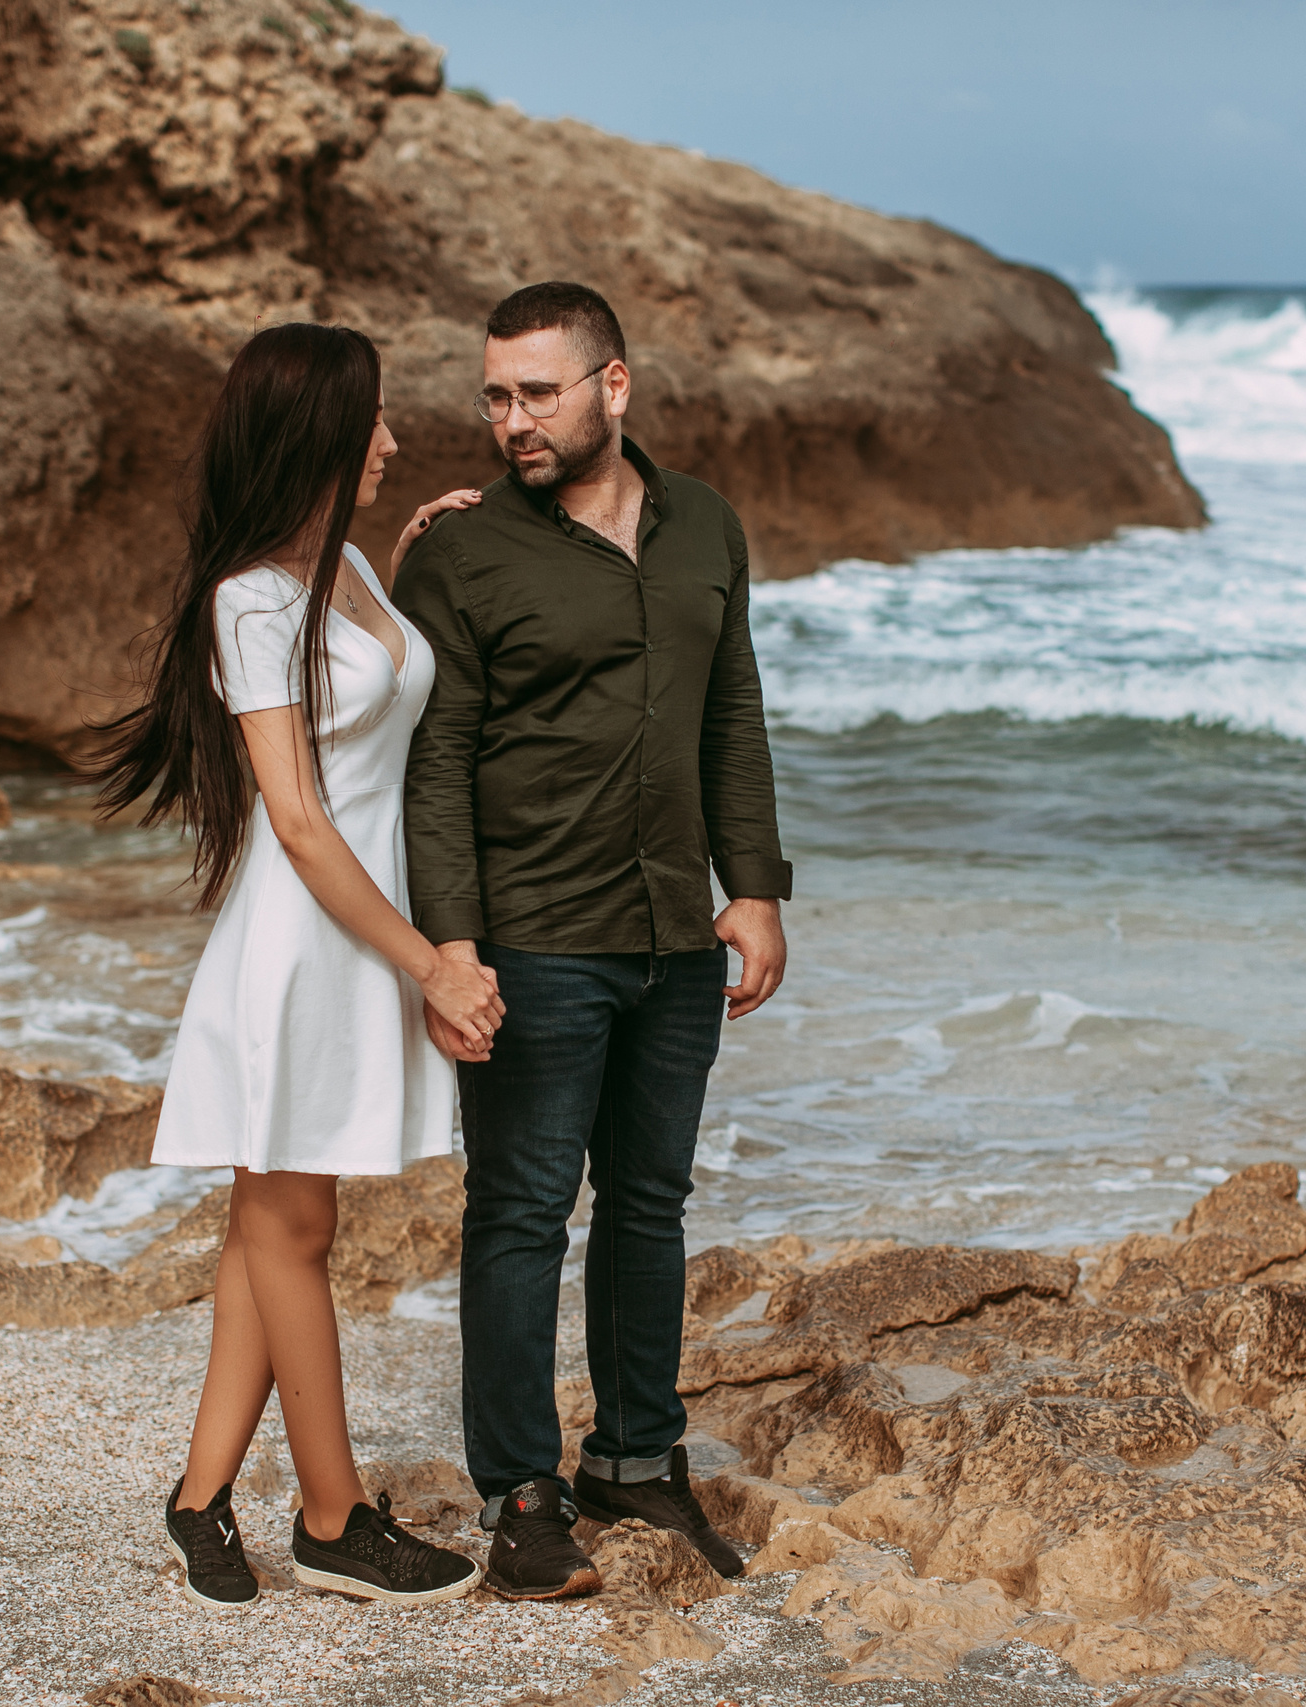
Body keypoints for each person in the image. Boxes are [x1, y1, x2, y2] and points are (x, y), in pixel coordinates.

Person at [89, 322, 499, 1611]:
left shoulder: (355, 569)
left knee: (267, 1226)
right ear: (317, 434)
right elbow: (304, 822)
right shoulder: (246, 602)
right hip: (305, 941)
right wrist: (431, 964)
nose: (388, 441)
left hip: (359, 928)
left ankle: (201, 1500)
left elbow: (393, 714)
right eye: (371, 421)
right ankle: (333, 1515)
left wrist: (419, 565)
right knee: (295, 1224)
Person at [392, 282, 793, 1600]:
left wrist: (756, 886)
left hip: (676, 933)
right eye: (496, 396)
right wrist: (451, 948)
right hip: (534, 941)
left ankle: (637, 1455)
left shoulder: (707, 530)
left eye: (539, 392)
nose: (513, 420)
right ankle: (520, 1494)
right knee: (517, 1215)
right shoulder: (461, 554)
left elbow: (730, 710)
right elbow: (435, 764)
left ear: (613, 386)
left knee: (651, 1207)